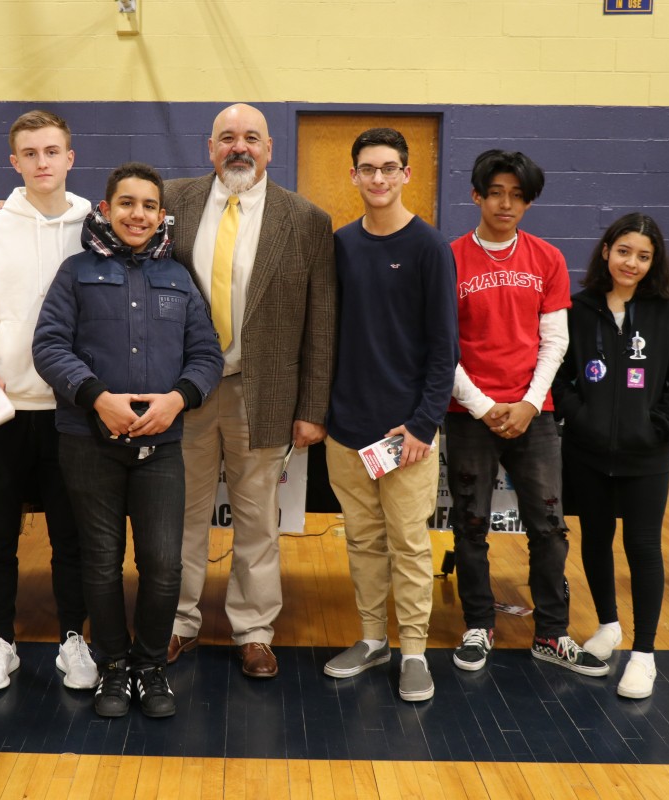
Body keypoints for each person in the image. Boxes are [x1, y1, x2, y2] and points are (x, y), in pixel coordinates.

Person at [33, 162, 223, 718]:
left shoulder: (179, 278)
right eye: (126, 204)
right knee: (100, 561)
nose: (137, 214)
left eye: (147, 206)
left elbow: (207, 354)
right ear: (106, 210)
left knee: (164, 564)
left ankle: (149, 667)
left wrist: (177, 400)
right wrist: (96, 396)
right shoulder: (74, 272)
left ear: (161, 215)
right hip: (88, 441)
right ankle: (112, 669)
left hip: (162, 445)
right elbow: (49, 346)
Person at [164, 103, 336, 679]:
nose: (240, 147)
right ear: (209, 146)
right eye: (227, 138)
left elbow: (322, 321)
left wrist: (312, 407)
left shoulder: (306, 219)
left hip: (260, 393)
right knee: (179, 515)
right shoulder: (171, 202)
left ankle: (254, 629)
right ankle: (177, 621)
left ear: (270, 149)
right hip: (181, 391)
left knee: (258, 520)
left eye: (252, 138)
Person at [446, 149, 608, 678]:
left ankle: (552, 633)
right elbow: (440, 347)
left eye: (517, 195)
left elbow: (554, 339)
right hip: (470, 412)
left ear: (529, 202)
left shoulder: (547, 259)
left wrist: (529, 403)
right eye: (496, 192)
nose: (506, 203)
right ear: (476, 195)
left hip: (534, 414)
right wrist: (486, 406)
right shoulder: (449, 258)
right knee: (470, 525)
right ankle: (477, 624)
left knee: (549, 527)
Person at [0, 110, 96, 692]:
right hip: (3, 406)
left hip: (72, 409)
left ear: (70, 156)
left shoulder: (98, 223)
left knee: (72, 534)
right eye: (30, 153)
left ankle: (73, 638)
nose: (42, 162)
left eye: (52, 151)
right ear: (14, 162)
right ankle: (0, 641)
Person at [321, 129, 459, 702]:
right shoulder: (340, 245)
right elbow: (328, 335)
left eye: (389, 168)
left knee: (409, 543)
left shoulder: (429, 247)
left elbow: (443, 347)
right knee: (362, 541)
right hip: (346, 429)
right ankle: (374, 639)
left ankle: (414, 653)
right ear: (353, 176)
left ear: (406, 175)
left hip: (407, 435)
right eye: (367, 169)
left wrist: (424, 424)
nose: (378, 178)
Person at [552, 213, 669, 699]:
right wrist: (579, 415)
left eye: (643, 256)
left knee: (642, 548)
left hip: (645, 457)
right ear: (606, 250)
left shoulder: (668, 312)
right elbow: (560, 371)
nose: (630, 263)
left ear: (653, 262)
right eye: (623, 251)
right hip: (587, 451)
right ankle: (608, 625)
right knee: (594, 539)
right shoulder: (579, 307)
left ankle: (644, 654)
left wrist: (658, 428)